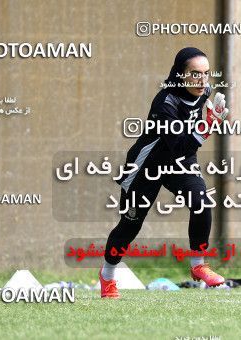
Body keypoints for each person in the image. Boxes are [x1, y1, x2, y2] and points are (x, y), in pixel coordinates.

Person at [99, 47, 230, 298]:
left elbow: (183, 149)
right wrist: (207, 127)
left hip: (180, 161)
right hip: (147, 165)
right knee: (130, 225)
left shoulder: (205, 92)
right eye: (194, 74)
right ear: (180, 75)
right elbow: (177, 144)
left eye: (206, 74)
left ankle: (198, 265)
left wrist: (208, 119)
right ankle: (107, 277)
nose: (202, 80)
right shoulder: (165, 103)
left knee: (201, 202)